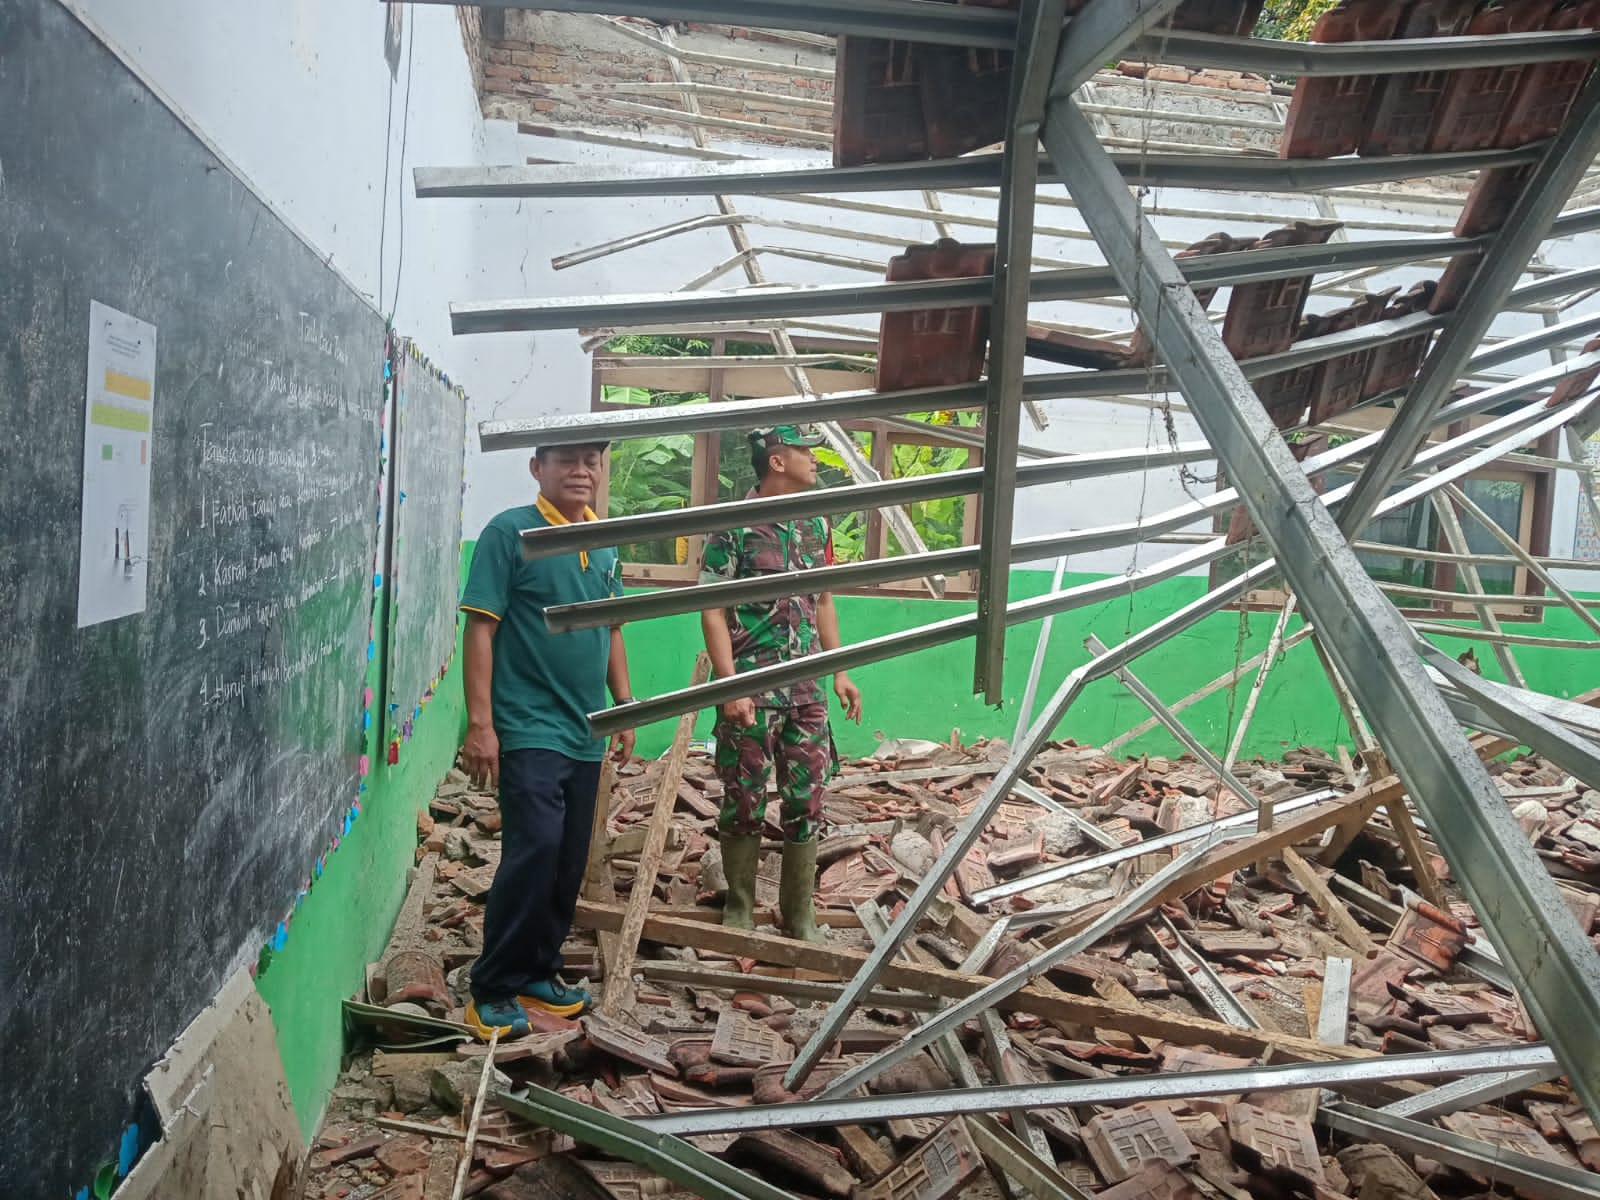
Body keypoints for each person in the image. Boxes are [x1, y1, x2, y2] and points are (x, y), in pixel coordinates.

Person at [457, 442, 635, 1040]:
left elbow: (611, 629)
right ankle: (492, 988)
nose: (581, 470)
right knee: (532, 851)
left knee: (566, 860)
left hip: (585, 728)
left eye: (591, 461)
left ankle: (538, 971)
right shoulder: (509, 533)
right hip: (528, 724)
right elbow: (481, 628)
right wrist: (481, 724)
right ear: (538, 468)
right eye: (566, 460)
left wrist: (624, 705)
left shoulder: (605, 541)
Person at [699, 425, 863, 942]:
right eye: (805, 452)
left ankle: (799, 913)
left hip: (807, 692)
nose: (815, 460)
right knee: (743, 796)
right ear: (776, 461)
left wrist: (840, 670)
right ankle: (740, 908)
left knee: (807, 800)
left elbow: (827, 601)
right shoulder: (734, 525)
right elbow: (713, 609)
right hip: (751, 689)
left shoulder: (818, 521)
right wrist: (729, 688)